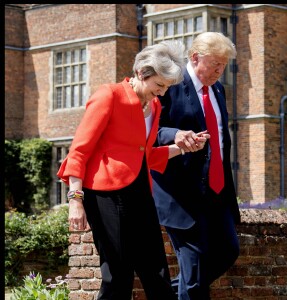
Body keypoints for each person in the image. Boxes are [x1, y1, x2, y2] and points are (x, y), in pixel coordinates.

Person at [57, 40, 208, 300]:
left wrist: (182, 147)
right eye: (158, 85)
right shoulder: (109, 95)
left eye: (166, 88)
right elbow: (79, 150)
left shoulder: (155, 106)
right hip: (104, 194)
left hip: (139, 191)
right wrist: (75, 199)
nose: (161, 93)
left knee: (157, 272)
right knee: (117, 274)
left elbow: (145, 156)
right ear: (141, 73)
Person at [151, 32, 241, 300]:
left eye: (223, 65)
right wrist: (175, 135)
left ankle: (170, 292)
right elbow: (148, 131)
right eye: (215, 64)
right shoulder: (171, 84)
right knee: (194, 269)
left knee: (228, 250)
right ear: (194, 57)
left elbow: (222, 139)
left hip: (216, 191)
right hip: (180, 193)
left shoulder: (218, 89)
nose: (219, 71)